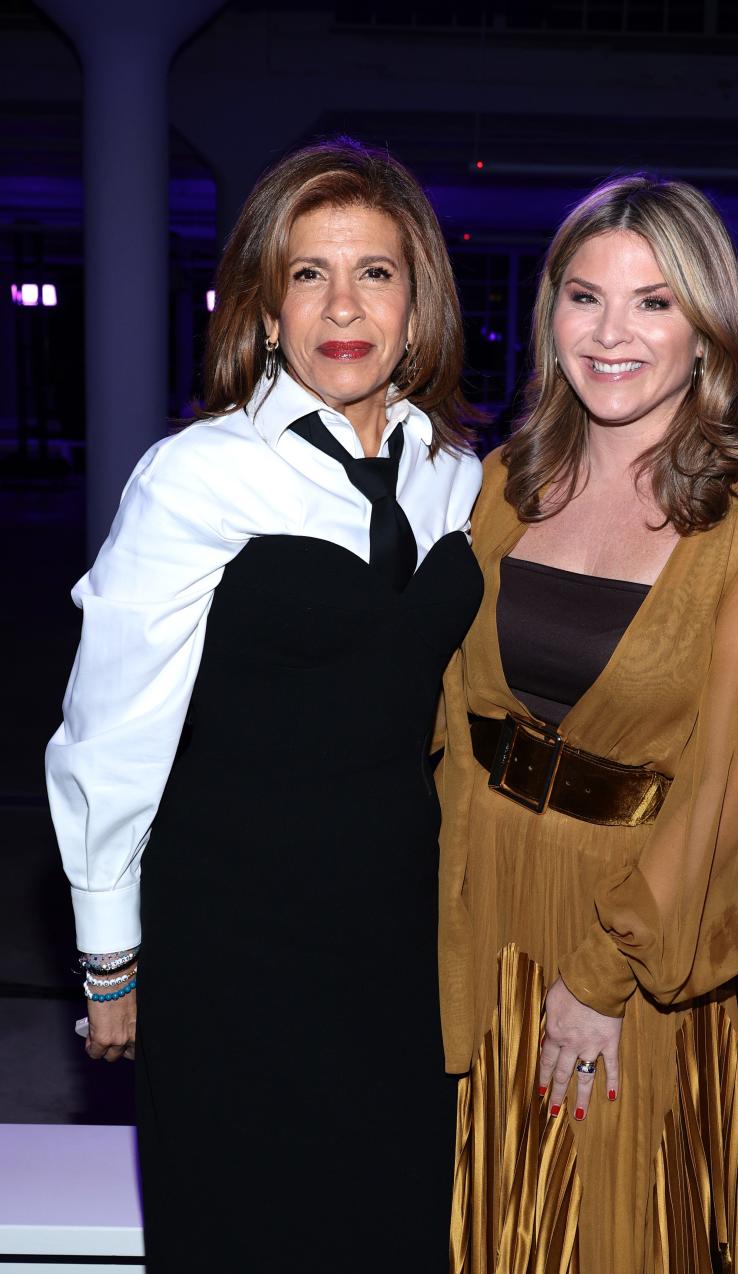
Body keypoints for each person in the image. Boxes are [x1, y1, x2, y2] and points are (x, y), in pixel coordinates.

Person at [46, 139, 483, 1271]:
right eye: (308, 273)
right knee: (242, 1222)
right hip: (233, 926)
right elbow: (112, 718)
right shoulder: (198, 472)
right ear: (265, 305)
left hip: (398, 925)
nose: (344, 305)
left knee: (396, 1219)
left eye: (375, 272)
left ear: (417, 295)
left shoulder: (460, 476)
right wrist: (110, 953)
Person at [435, 175, 738, 1272]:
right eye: (584, 296)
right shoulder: (507, 481)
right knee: (495, 1212)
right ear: (549, 315)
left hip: (639, 913)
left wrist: (606, 975)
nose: (612, 333)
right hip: (492, 883)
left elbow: (730, 782)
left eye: (653, 302)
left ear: (705, 331)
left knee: (620, 1223)